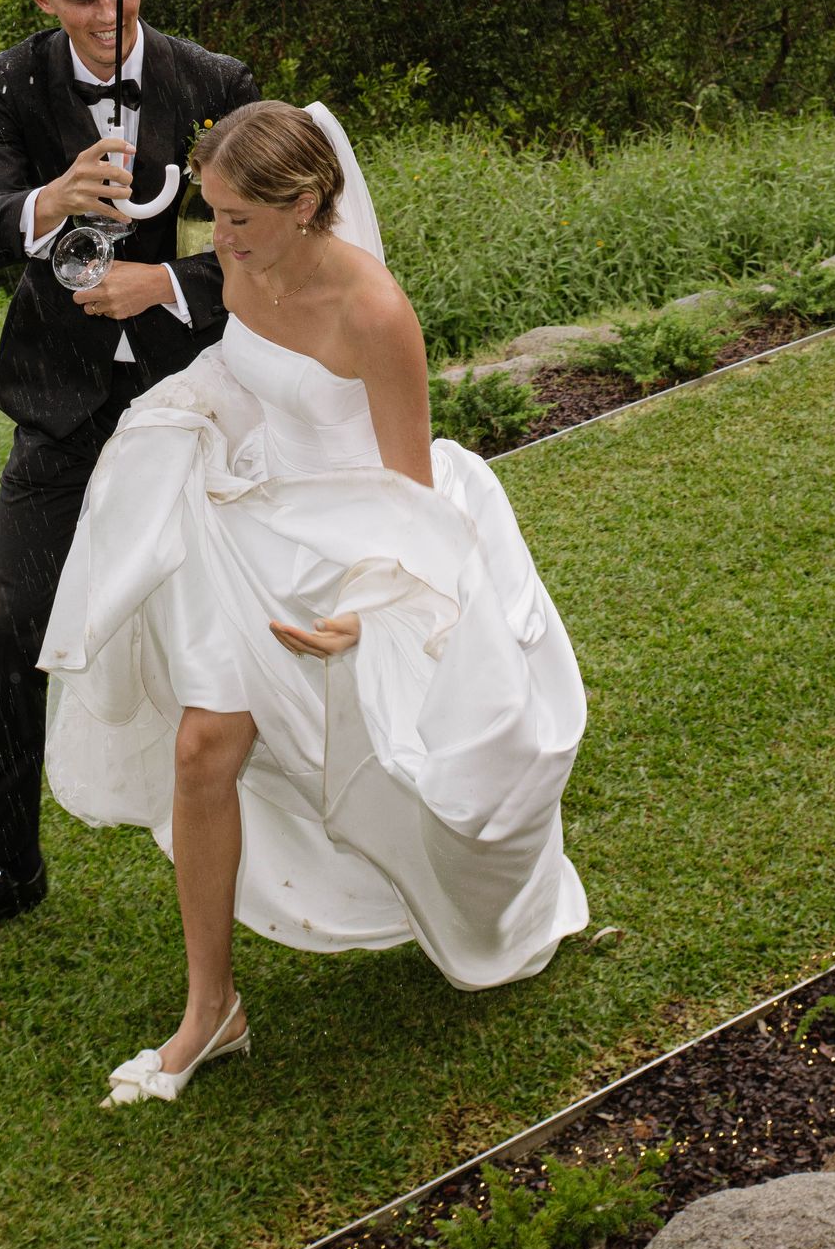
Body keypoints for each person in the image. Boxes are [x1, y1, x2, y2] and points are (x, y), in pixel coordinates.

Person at [39, 100, 588, 1103]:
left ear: (305, 204)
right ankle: (211, 1009)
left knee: (416, 774)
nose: (220, 238)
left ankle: (490, 896)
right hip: (253, 525)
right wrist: (185, 415)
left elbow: (409, 490)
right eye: (213, 212)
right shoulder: (245, 260)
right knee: (203, 749)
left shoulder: (374, 310)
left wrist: (371, 611)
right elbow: (241, 366)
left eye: (239, 216)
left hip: (356, 542)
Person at [0, 0, 257, 950]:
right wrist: (51, 198)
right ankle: (8, 866)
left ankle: (295, 831)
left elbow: (265, 234)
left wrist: (163, 282)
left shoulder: (215, 81)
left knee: (247, 618)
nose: (107, 14)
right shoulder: (8, 82)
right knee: (10, 627)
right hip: (57, 403)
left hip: (189, 399)